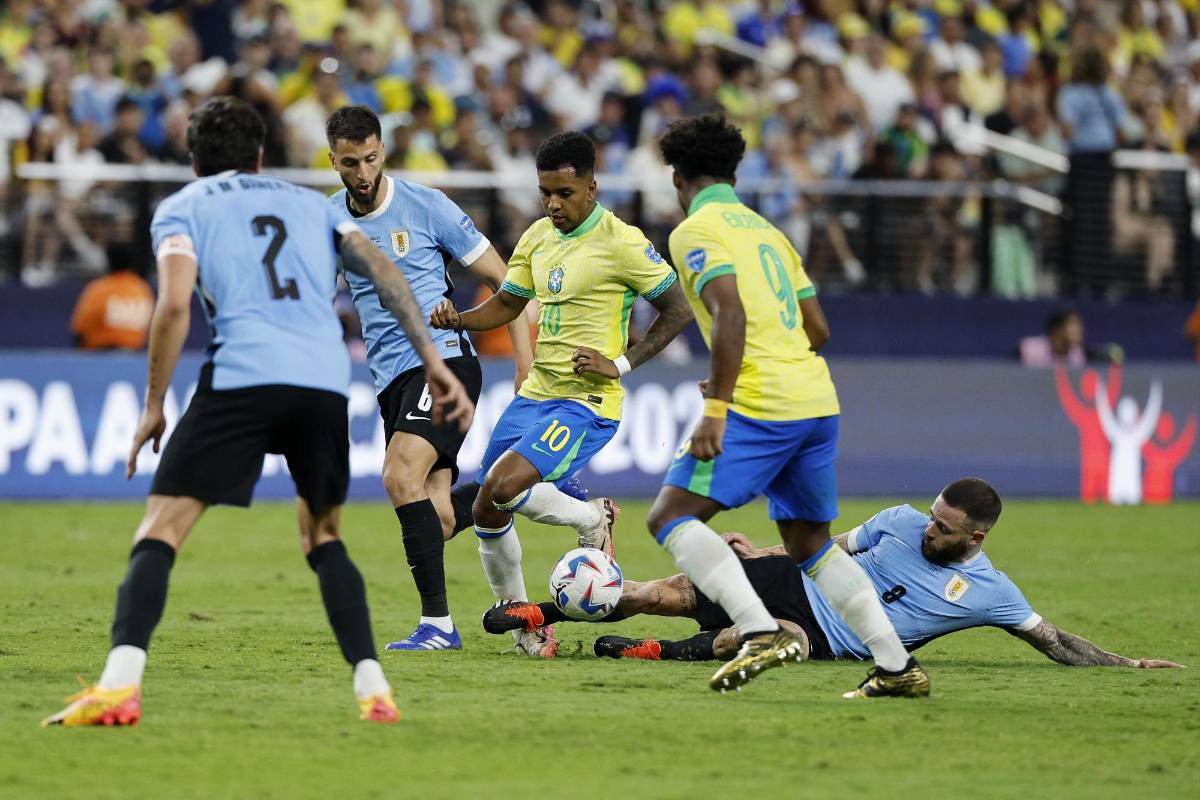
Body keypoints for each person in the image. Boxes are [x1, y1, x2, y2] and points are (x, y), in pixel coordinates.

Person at [41, 97, 474, 728]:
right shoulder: (306, 203)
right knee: (323, 537)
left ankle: (118, 686)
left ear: (193, 162)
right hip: (323, 380)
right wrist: (435, 361)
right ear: (261, 156)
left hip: (244, 374)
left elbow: (174, 307)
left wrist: (155, 403)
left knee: (160, 527)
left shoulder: (183, 208)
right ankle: (374, 690)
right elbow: (383, 271)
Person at [644, 113, 925, 699]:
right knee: (809, 544)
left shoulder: (695, 231)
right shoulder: (769, 232)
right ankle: (898, 668)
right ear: (734, 172)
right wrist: (761, 363)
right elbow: (816, 327)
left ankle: (759, 630)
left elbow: (730, 313)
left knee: (670, 517)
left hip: (764, 403)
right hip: (817, 398)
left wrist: (719, 404)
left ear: (678, 177)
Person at [429, 131, 693, 657]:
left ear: (591, 189)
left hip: (586, 402)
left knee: (502, 484)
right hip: (534, 396)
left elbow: (679, 309)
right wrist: (460, 317)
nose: (553, 203)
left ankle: (591, 518)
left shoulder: (622, 242)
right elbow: (506, 305)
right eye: (545, 192)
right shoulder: (536, 238)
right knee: (486, 507)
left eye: (564, 193)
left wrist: (620, 363)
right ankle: (530, 626)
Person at [483, 479, 1184, 671]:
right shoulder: (902, 517)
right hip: (793, 581)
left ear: (977, 537)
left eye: (943, 528)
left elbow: (1053, 640)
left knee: (763, 640)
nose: (926, 528)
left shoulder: (993, 594)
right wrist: (761, 550)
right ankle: (549, 611)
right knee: (656, 592)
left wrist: (1127, 662)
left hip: (823, 634)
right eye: (931, 516)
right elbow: (825, 544)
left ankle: (653, 655)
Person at [325, 105, 533, 652]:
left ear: (383, 152)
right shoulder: (327, 221)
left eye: (371, 158)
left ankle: (438, 625)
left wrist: (524, 366)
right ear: (333, 162)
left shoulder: (425, 205)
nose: (364, 173)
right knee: (437, 518)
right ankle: (519, 490)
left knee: (398, 475)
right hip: (390, 378)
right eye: (351, 163)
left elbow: (509, 282)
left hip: (444, 364)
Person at [70, 243, 154, 350]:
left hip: (100, 354)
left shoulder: (100, 289)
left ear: (108, 261)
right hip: (133, 354)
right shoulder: (142, 290)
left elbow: (80, 328)